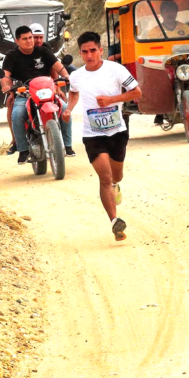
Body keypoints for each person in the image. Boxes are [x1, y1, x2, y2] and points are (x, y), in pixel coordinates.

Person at [67, 32, 142, 241]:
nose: (89, 55)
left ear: (101, 50)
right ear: (80, 53)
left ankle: (116, 186)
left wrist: (111, 100)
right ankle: (114, 222)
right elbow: (73, 92)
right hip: (92, 135)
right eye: (85, 52)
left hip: (117, 132)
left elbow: (137, 92)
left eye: (93, 50)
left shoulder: (116, 69)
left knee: (116, 176)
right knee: (105, 178)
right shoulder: (76, 76)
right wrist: (68, 108)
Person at [0, 26, 73, 163]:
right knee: (17, 115)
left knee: (64, 108)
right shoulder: (11, 56)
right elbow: (5, 76)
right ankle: (23, 150)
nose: (29, 41)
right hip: (25, 94)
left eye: (30, 37)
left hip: (46, 92)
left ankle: (68, 145)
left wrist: (67, 77)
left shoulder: (43, 51)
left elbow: (58, 67)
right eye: (25, 39)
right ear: (17, 41)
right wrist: (6, 86)